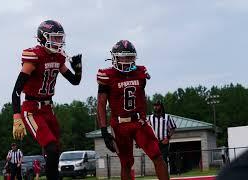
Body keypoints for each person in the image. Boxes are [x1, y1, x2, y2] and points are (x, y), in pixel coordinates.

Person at [11, 19, 82, 180]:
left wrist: (78, 69)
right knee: (50, 148)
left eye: (59, 38)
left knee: (55, 148)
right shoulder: (34, 56)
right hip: (32, 109)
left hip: (48, 108)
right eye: (55, 37)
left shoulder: (58, 57)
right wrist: (16, 116)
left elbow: (74, 81)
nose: (58, 41)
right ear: (43, 37)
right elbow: (16, 91)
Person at [96, 40, 169, 180]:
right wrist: (104, 130)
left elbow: (143, 98)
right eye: (123, 57)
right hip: (119, 125)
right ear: (115, 58)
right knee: (126, 163)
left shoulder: (140, 72)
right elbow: (101, 104)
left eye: (130, 57)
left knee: (157, 155)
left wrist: (143, 117)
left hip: (138, 122)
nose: (127, 60)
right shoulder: (107, 75)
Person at [148, 101, 177, 166]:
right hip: (155, 143)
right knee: (156, 160)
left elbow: (173, 128)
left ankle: (165, 175)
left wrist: (168, 138)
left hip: (164, 142)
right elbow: (147, 130)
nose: (155, 107)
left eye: (157, 105)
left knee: (164, 159)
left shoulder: (167, 117)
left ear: (161, 107)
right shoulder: (150, 118)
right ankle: (160, 175)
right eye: (154, 105)